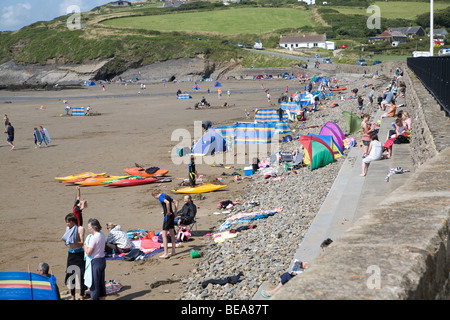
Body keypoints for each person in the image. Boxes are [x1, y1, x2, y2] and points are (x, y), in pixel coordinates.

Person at [62, 213, 86, 300]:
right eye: (66, 222)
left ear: (73, 221)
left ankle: (82, 295)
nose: (67, 224)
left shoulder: (80, 229)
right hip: (71, 254)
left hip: (79, 254)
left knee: (81, 275)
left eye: (68, 222)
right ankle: (73, 296)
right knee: (71, 274)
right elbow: (66, 240)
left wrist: (74, 241)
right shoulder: (68, 228)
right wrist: (67, 242)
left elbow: (82, 243)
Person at [83, 218, 106, 300]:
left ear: (93, 227)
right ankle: (103, 297)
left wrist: (84, 245)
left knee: (94, 283)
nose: (88, 228)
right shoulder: (102, 234)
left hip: (96, 261)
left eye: (89, 226)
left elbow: (88, 252)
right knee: (101, 281)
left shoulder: (94, 238)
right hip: (102, 260)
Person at [152, 189, 178, 259]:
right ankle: (173, 251)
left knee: (164, 235)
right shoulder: (166, 195)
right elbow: (176, 202)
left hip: (168, 217)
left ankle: (166, 253)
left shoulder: (160, 197)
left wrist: (168, 211)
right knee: (172, 233)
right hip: (172, 216)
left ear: (155, 195)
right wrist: (175, 212)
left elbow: (167, 202)